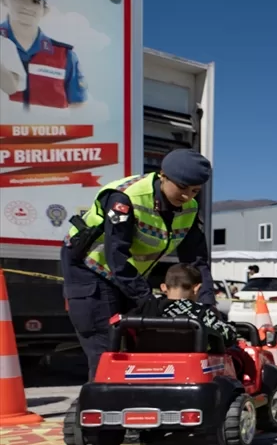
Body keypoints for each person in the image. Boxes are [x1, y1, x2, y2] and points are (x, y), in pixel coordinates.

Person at [62, 148, 216, 379]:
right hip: (91, 270)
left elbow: (196, 261)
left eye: (194, 191)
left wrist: (207, 305)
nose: (187, 196)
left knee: (139, 343)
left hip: (127, 275)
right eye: (182, 187)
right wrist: (146, 299)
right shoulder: (124, 198)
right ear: (163, 175)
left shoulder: (189, 209)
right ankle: (101, 406)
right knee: (107, 348)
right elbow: (116, 256)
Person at [0, 0, 87, 108]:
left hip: (52, 129)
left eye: (35, 1)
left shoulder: (65, 55)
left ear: (44, 10)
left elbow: (77, 104)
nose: (27, 6)